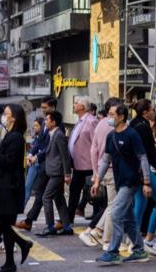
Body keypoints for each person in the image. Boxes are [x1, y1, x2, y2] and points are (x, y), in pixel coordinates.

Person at [93, 104, 151, 265]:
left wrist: (146, 182)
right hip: (119, 182)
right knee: (128, 218)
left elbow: (143, 158)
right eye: (108, 114)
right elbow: (106, 160)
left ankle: (113, 252)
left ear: (121, 116)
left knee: (115, 214)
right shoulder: (110, 136)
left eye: (112, 114)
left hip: (131, 181)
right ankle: (139, 250)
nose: (109, 118)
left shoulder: (132, 134)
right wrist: (97, 181)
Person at [0, 104, 33, 272]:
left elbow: (9, 162)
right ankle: (12, 259)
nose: (3, 116)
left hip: (9, 187)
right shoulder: (10, 135)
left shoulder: (16, 137)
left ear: (14, 118)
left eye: (6, 114)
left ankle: (20, 249)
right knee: (3, 223)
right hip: (4, 186)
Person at [79, 97, 120, 248]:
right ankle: (102, 236)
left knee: (111, 205)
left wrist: (97, 174)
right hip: (113, 170)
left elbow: (93, 150)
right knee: (113, 205)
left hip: (102, 170)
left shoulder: (100, 124)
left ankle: (97, 231)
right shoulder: (115, 125)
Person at [130, 99, 156, 256]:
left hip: (133, 170)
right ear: (145, 112)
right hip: (144, 171)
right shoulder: (144, 127)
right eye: (153, 109)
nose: (155, 111)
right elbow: (150, 153)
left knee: (141, 203)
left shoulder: (132, 124)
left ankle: (133, 241)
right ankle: (149, 240)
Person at [17, 97, 57, 231]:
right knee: (50, 196)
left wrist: (37, 157)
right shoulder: (46, 124)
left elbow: (49, 147)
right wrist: (31, 155)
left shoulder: (56, 125)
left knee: (44, 195)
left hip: (50, 165)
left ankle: (50, 223)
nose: (43, 110)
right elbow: (39, 142)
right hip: (43, 164)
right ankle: (64, 222)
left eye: (45, 108)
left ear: (52, 107)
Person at [36, 111, 72, 237]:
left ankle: (50, 226)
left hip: (57, 172)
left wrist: (67, 174)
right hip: (53, 171)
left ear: (54, 122)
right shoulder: (53, 134)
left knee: (46, 197)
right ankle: (67, 226)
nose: (45, 122)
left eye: (47, 120)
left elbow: (65, 156)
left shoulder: (59, 135)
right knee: (59, 199)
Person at [67, 96, 98, 225]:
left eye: (76, 103)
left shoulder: (91, 121)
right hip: (78, 164)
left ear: (83, 107)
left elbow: (96, 143)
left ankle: (96, 219)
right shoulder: (79, 121)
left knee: (93, 193)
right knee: (74, 191)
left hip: (89, 165)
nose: (74, 105)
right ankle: (69, 218)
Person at [24, 117, 45, 208]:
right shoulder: (37, 136)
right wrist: (29, 156)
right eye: (34, 126)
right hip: (34, 163)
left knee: (34, 188)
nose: (35, 128)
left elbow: (42, 149)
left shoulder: (44, 136)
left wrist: (33, 157)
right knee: (28, 186)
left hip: (39, 163)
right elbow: (34, 148)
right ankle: (22, 205)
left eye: (37, 126)